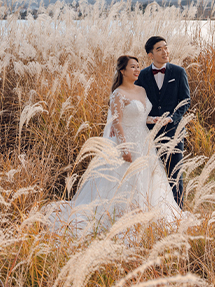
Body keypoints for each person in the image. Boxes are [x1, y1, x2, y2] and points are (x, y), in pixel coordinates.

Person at [45, 55, 180, 233]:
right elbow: (117, 122)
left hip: (144, 140)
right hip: (127, 140)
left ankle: (145, 213)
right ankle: (121, 216)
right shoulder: (118, 94)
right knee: (123, 179)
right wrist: (124, 147)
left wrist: (154, 119)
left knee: (148, 177)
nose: (137, 70)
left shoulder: (142, 90)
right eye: (133, 67)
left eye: (138, 66)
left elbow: (139, 116)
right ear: (122, 71)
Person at [135, 36, 190, 208]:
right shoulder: (142, 75)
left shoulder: (178, 72)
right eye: (159, 49)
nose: (165, 51)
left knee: (175, 175)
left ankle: (178, 213)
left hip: (173, 131)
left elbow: (185, 100)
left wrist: (172, 118)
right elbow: (137, 100)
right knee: (151, 174)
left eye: (165, 47)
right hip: (149, 133)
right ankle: (155, 211)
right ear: (150, 55)